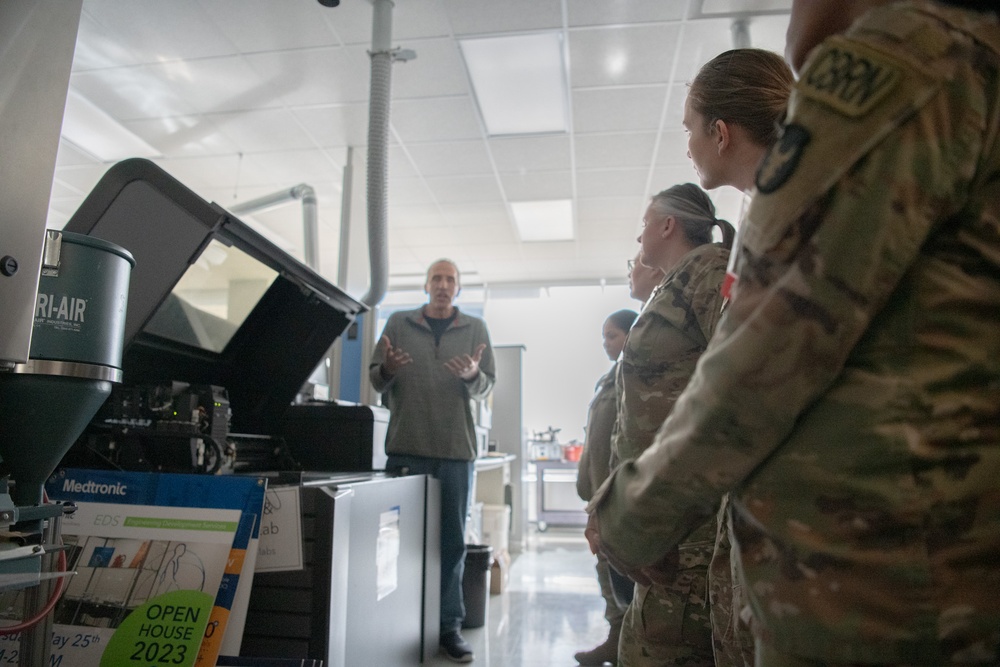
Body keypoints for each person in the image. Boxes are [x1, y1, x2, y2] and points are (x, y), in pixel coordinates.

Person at [587, 2, 1000, 666]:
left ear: (721, 132)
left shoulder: (908, 57)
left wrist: (627, 520)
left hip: (881, 587)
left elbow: (756, 365)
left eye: (692, 126)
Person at [683, 48, 793, 667]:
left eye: (689, 129)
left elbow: (743, 378)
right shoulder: (763, 214)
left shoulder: (794, 213)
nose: (688, 146)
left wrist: (639, 513)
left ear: (720, 133)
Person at [614, 183, 736, 667]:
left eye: (645, 223)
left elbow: (734, 383)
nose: (640, 235)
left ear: (667, 225)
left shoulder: (710, 272)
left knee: (662, 646)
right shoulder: (677, 284)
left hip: (688, 520)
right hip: (664, 516)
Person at [369, 258, 495, 664]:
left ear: (457, 288)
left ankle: (448, 628)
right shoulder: (397, 323)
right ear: (426, 285)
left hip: (456, 453)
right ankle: (400, 621)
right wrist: (386, 368)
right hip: (406, 448)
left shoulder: (475, 328)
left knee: (452, 545)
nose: (443, 285)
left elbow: (487, 386)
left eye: (450, 279)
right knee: (400, 544)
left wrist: (474, 373)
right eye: (437, 278)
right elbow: (375, 380)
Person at [575, 308, 639, 666]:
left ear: (632, 335)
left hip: (617, 494)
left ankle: (630, 645)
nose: (605, 343)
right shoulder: (609, 378)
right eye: (603, 336)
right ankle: (616, 639)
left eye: (612, 335)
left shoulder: (635, 376)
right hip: (600, 493)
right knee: (607, 571)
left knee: (622, 575)